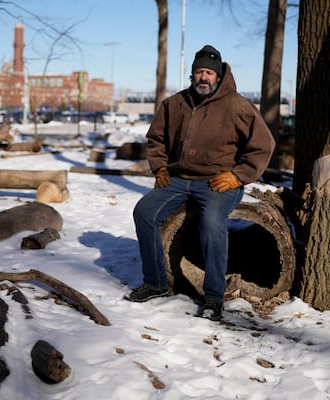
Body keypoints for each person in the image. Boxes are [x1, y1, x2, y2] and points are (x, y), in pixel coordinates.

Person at [124, 45, 275, 321]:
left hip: (219, 181)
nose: (203, 77)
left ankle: (214, 297)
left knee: (212, 224)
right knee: (144, 212)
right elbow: (156, 139)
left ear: (218, 76)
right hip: (178, 179)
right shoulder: (174, 104)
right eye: (198, 72)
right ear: (192, 74)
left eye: (208, 72)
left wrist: (238, 176)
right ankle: (156, 283)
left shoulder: (238, 106)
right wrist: (159, 168)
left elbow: (263, 145)